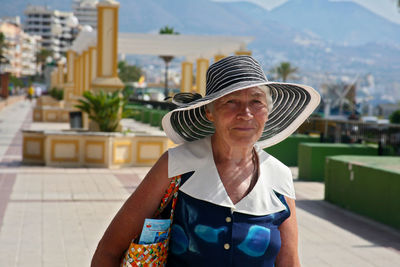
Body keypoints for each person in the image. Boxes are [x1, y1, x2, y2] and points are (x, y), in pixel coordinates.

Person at [91, 55, 320, 266]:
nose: (246, 113)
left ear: (268, 111)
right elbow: (109, 250)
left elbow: (289, 261)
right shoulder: (176, 165)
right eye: (231, 101)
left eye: (256, 101)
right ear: (210, 112)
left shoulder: (279, 175)